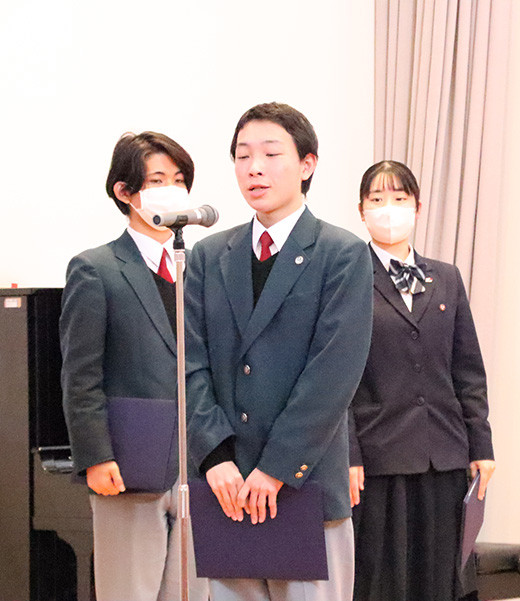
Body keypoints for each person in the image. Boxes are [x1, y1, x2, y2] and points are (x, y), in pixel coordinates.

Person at [184, 102, 373, 601]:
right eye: (243, 156)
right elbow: (190, 363)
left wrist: (275, 468)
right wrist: (214, 456)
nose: (255, 168)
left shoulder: (342, 253)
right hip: (225, 488)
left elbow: (333, 375)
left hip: (303, 486)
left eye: (271, 154)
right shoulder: (207, 255)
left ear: (307, 165)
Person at [60, 131, 209, 601]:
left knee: (191, 591)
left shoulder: (202, 267)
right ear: (124, 192)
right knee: (129, 591)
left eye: (180, 180)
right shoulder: (96, 268)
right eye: (158, 180)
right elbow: (81, 376)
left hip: (199, 463)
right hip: (129, 461)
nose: (173, 190)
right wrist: (96, 455)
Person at [349, 160, 496, 601]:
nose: (388, 209)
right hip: (379, 458)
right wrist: (347, 453)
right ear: (361, 211)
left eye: (399, 198)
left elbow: (467, 369)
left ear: (417, 207)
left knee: (442, 580)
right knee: (383, 581)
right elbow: (339, 379)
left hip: (445, 454)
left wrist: (481, 445)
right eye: (377, 199)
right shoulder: (347, 276)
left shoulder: (446, 277)